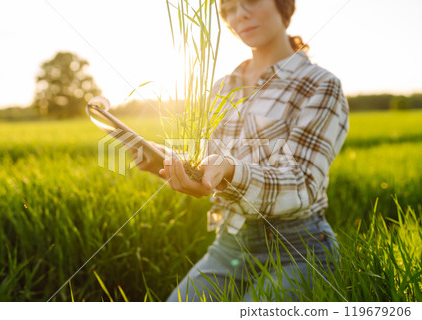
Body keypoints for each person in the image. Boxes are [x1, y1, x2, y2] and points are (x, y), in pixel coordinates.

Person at [131, 0, 349, 302]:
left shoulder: (320, 86)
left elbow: (303, 183)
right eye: (229, 8)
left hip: (300, 248)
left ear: (282, 6)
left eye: (251, 2)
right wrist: (164, 160)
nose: (239, 15)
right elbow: (209, 161)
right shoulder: (222, 87)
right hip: (230, 243)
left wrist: (231, 171)